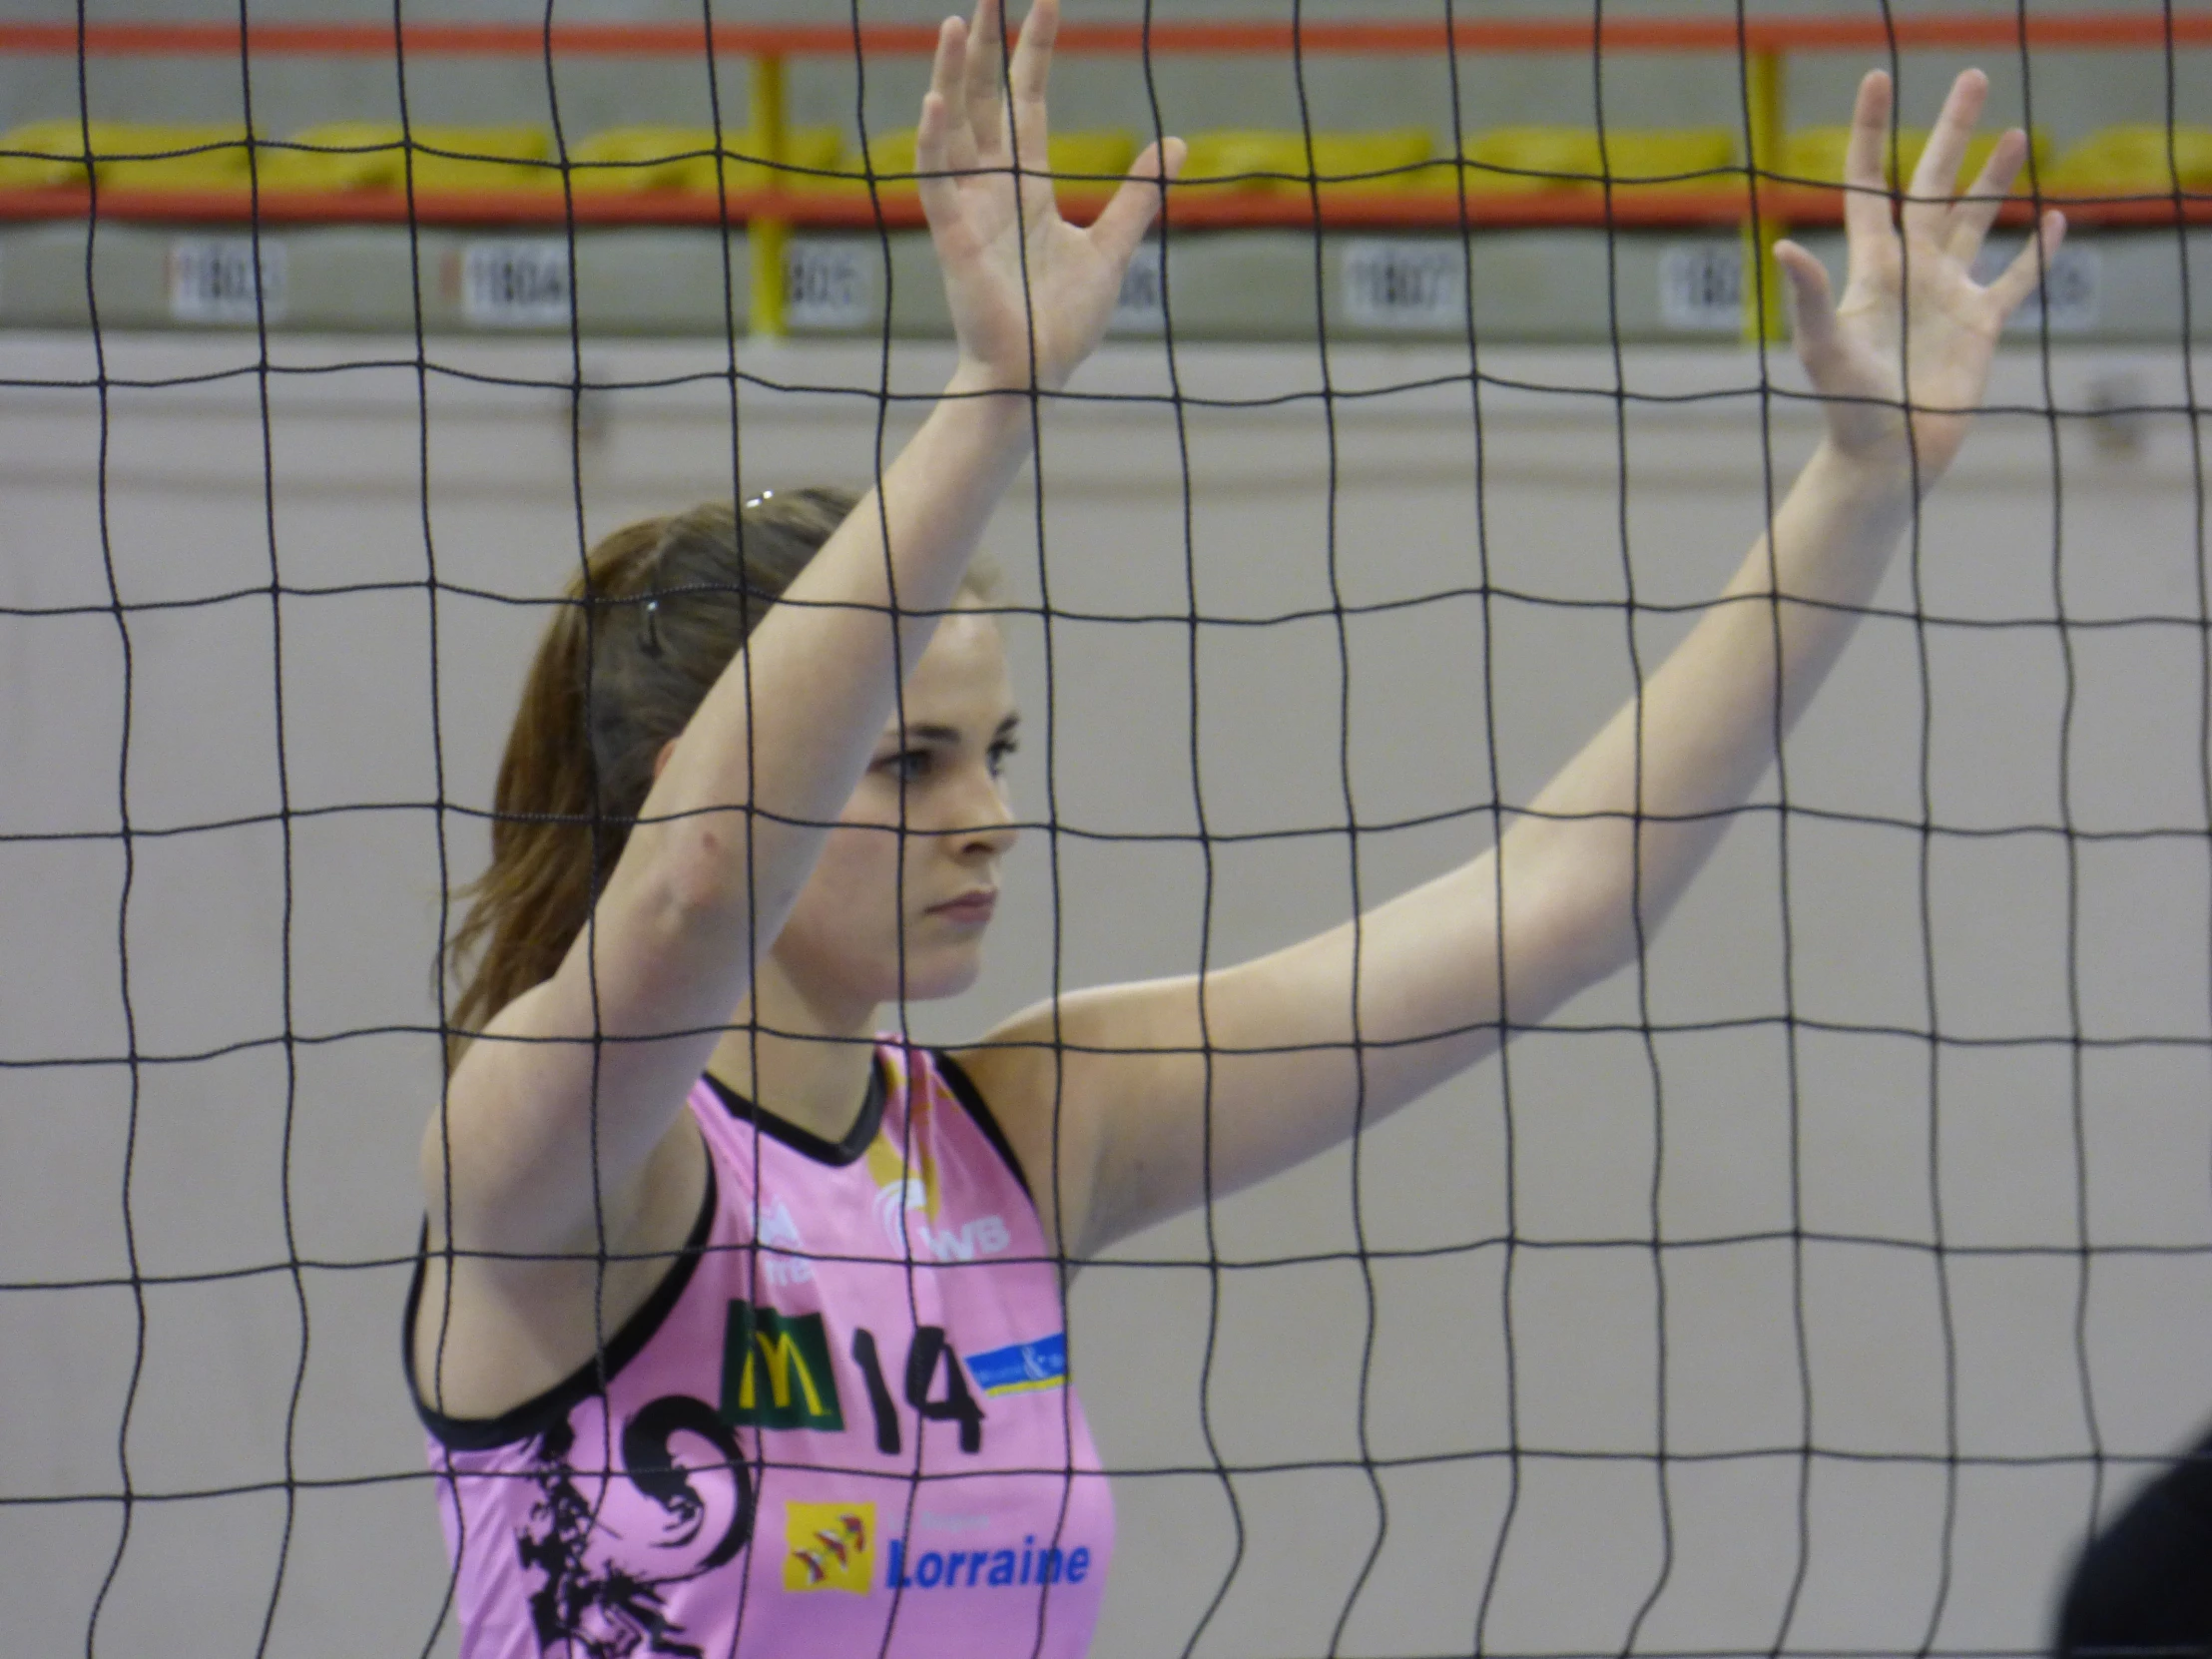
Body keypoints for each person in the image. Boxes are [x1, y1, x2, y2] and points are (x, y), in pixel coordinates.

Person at [406, 3, 2066, 1654]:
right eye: (910, 761)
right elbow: (699, 887)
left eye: (999, 751)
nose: (988, 817)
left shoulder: (1024, 1136)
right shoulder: (557, 1158)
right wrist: (996, 395)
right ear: (724, 759)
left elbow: (1567, 893)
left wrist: (1862, 489)